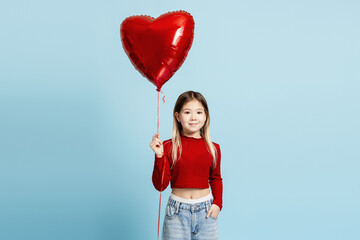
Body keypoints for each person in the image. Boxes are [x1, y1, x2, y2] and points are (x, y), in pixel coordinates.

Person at [150, 90, 223, 240]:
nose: (193, 117)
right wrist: (159, 156)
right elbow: (160, 186)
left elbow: (215, 178)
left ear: (206, 116)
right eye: (187, 112)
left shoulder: (213, 148)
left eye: (199, 112)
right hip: (176, 212)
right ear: (178, 116)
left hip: (206, 211)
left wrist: (217, 204)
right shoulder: (168, 146)